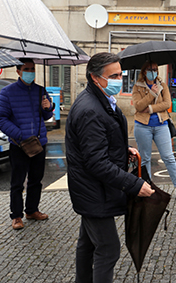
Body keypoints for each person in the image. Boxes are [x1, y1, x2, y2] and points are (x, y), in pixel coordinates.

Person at [65, 52, 154, 283]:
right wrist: (135, 185)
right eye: (113, 75)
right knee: (108, 249)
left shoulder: (101, 100)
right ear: (95, 78)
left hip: (94, 190)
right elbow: (96, 162)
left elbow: (98, 144)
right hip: (93, 190)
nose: (119, 79)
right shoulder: (90, 109)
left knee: (87, 244)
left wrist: (123, 150)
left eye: (120, 74)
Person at [0, 58, 54, 230]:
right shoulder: (7, 92)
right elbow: (0, 118)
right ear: (18, 71)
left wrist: (48, 107)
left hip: (39, 143)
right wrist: (19, 135)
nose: (31, 72)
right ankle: (16, 216)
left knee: (36, 180)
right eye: (27, 69)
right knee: (18, 182)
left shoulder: (40, 90)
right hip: (19, 145)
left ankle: (32, 210)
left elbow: (46, 116)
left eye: (33, 69)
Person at [132, 60, 176, 201]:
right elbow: (138, 106)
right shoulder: (137, 87)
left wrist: (149, 109)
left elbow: (167, 104)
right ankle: (148, 187)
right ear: (144, 71)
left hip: (161, 125)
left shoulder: (163, 86)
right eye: (149, 69)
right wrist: (152, 94)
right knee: (145, 158)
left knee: (168, 156)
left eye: (155, 69)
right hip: (142, 126)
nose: (152, 72)